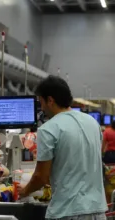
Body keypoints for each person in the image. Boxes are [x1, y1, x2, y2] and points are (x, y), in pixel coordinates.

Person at [18, 76, 107, 220]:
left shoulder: (48, 129)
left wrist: (24, 192)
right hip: (97, 210)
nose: (42, 107)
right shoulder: (92, 122)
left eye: (41, 101)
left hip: (67, 211)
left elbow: (41, 177)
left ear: (50, 100)